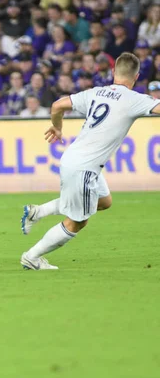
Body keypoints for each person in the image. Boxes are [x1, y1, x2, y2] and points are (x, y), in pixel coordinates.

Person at [20, 52, 160, 270]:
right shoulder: (135, 99)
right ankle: (32, 256)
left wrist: (57, 127)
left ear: (113, 72)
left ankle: (38, 212)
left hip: (75, 159)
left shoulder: (96, 92)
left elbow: (57, 105)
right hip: (84, 167)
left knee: (104, 201)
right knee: (78, 221)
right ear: (137, 76)